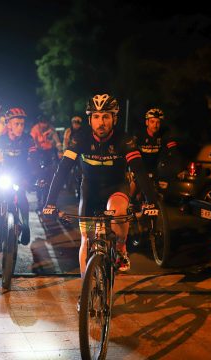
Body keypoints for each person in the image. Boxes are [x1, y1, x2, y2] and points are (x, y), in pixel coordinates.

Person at [43, 94, 157, 276]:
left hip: (116, 188)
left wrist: (151, 202)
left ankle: (120, 247)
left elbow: (140, 171)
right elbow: (62, 170)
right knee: (86, 240)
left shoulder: (124, 140)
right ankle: (84, 291)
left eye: (106, 116)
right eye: (96, 117)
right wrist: (50, 202)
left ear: (114, 118)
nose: (101, 122)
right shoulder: (80, 139)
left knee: (118, 210)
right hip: (90, 191)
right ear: (90, 119)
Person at [0, 107, 37, 249]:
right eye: (16, 124)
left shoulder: (28, 140)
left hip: (22, 175)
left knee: (21, 196)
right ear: (9, 124)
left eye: (22, 124)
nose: (20, 127)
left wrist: (32, 178)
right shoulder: (2, 139)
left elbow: (34, 160)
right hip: (5, 174)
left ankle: (26, 227)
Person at [30, 115, 63, 210]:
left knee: (51, 176)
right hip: (38, 153)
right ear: (39, 123)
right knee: (39, 177)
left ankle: (48, 201)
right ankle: (39, 200)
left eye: (46, 123)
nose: (44, 125)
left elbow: (57, 142)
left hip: (49, 153)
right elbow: (32, 141)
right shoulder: (35, 129)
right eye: (42, 122)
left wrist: (60, 150)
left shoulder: (51, 129)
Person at [63, 115, 84, 198]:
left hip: (80, 154)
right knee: (67, 169)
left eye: (78, 122)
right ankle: (67, 184)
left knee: (81, 171)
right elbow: (65, 142)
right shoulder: (68, 131)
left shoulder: (83, 132)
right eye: (74, 122)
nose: (76, 124)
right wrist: (64, 152)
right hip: (70, 153)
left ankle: (79, 189)